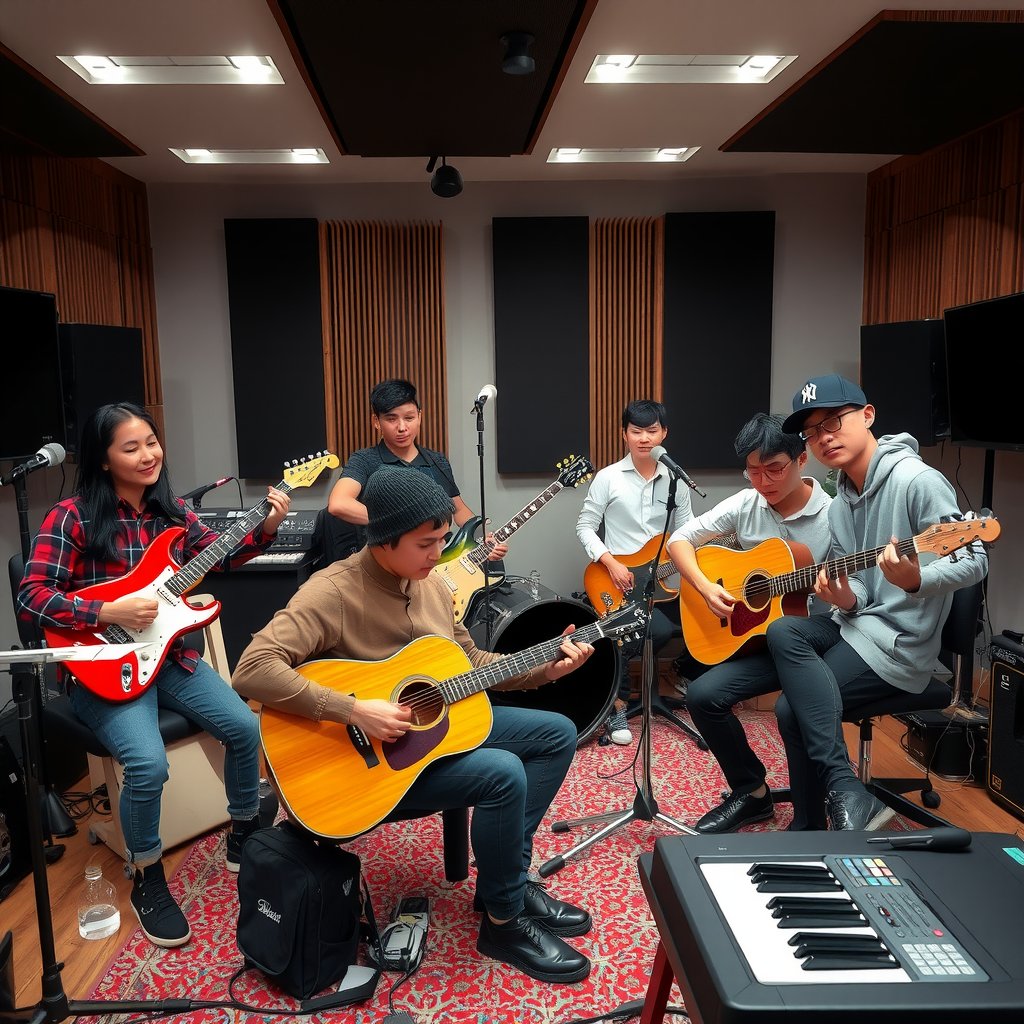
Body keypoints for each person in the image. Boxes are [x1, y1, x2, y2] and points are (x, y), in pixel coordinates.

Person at [232, 466, 596, 984]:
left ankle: (505, 878)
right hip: (364, 772)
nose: (438, 554)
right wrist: (353, 710)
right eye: (427, 544)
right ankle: (504, 922)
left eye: (443, 540)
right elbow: (252, 667)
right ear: (384, 539)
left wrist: (545, 667)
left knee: (556, 733)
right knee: (502, 773)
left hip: (425, 742)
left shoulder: (431, 585)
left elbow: (471, 665)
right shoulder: (331, 591)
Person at [17, 402, 291, 948]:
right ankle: (147, 874)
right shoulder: (70, 516)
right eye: (131, 446)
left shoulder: (171, 514)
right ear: (102, 459)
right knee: (147, 765)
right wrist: (106, 613)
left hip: (167, 658)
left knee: (245, 727)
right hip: (101, 663)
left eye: (152, 442)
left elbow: (216, 562)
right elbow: (31, 597)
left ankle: (243, 833)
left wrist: (265, 528)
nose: (148, 455)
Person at [768, 374, 988, 831]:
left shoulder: (917, 481)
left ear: (867, 415)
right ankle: (839, 800)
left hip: (900, 644)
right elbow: (860, 587)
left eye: (833, 421)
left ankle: (817, 818)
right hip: (859, 625)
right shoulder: (840, 500)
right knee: (782, 628)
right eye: (812, 432)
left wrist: (916, 580)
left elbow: (974, 561)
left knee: (791, 710)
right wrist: (847, 597)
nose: (824, 437)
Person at [666, 413, 832, 832]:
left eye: (773, 469)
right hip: (762, 639)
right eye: (753, 471)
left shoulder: (834, 516)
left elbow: (859, 593)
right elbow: (679, 541)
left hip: (815, 640)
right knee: (703, 696)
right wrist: (705, 586)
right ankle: (752, 793)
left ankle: (810, 822)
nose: (762, 482)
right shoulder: (747, 502)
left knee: (790, 709)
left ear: (802, 460)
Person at [576, 400, 691, 744]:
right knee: (634, 631)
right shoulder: (608, 478)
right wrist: (610, 561)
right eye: (636, 431)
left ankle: (688, 682)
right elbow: (584, 526)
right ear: (624, 433)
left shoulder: (676, 480)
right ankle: (617, 707)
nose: (644, 439)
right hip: (615, 580)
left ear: (664, 433)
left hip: (662, 583)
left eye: (651, 431)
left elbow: (686, 533)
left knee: (708, 616)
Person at [326, 377, 506, 560]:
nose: (402, 427)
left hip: (432, 564)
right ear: (376, 421)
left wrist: (482, 539)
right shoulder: (364, 460)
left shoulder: (437, 461)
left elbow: (457, 509)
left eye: (409, 418)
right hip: (382, 564)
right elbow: (339, 504)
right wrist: (403, 522)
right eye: (391, 419)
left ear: (420, 415)